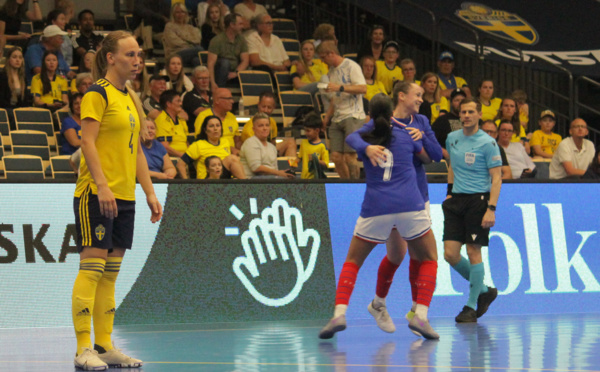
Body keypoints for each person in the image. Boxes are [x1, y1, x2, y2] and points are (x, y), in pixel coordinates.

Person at [71, 30, 162, 370]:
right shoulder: (98, 93)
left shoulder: (131, 97)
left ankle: (105, 345)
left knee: (110, 274)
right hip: (96, 194)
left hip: (125, 196)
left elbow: (135, 148)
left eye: (139, 54)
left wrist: (150, 192)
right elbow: (87, 142)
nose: (137, 60)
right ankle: (84, 349)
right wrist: (102, 185)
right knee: (92, 269)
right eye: (129, 54)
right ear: (111, 58)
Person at [318, 93, 439, 340]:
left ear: (369, 116)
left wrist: (366, 147)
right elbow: (428, 157)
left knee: (352, 260)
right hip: (410, 205)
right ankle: (421, 316)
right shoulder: (406, 132)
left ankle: (339, 314)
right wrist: (420, 138)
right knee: (428, 258)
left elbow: (351, 138)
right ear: (392, 111)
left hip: (376, 207)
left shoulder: (365, 137)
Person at [367, 82, 443, 337]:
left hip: (418, 196)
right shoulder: (383, 122)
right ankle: (378, 303)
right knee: (397, 255)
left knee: (419, 256)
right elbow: (361, 143)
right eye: (418, 95)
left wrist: (421, 138)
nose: (422, 99)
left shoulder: (421, 121)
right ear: (402, 95)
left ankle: (415, 312)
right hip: (391, 198)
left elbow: (435, 156)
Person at [443, 98, 502, 323]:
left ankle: (470, 306)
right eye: (463, 112)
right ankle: (485, 290)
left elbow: (497, 178)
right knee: (450, 253)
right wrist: (449, 191)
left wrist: (491, 208)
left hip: (478, 201)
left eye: (471, 112)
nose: (466, 115)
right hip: (456, 200)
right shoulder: (452, 138)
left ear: (478, 115)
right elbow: (452, 167)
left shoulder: (488, 143)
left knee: (473, 252)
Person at [318, 40, 367, 179]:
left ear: (331, 53)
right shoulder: (332, 71)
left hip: (353, 115)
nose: (322, 61)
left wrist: (340, 87)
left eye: (323, 57)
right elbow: (335, 97)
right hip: (338, 116)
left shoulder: (351, 66)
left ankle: (355, 185)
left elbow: (363, 88)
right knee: (336, 156)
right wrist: (327, 116)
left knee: (350, 156)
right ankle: (346, 184)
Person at [177, 115, 246, 179]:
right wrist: (186, 182)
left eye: (218, 125)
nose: (215, 128)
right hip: (207, 180)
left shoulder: (225, 142)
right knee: (232, 158)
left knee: (237, 159)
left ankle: (245, 184)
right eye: (211, 126)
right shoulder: (198, 145)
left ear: (221, 129)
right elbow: (180, 164)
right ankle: (246, 185)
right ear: (205, 130)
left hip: (223, 177)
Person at [240, 91, 296, 157]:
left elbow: (273, 142)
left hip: (268, 150)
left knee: (290, 142)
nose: (266, 110)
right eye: (263, 107)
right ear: (258, 105)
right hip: (254, 153)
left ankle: (292, 166)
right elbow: (253, 148)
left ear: (274, 108)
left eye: (269, 107)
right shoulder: (250, 126)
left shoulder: (272, 122)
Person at [240, 112, 295, 178]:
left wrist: (283, 174)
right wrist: (278, 173)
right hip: (253, 181)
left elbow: (275, 169)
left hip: (270, 179)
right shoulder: (250, 143)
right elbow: (256, 168)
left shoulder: (272, 147)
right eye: (261, 125)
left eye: (267, 125)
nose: (265, 128)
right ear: (253, 129)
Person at [207, 12, 249, 90]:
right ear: (232, 25)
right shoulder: (217, 40)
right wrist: (212, 82)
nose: (242, 27)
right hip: (220, 71)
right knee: (225, 63)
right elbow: (211, 63)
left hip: (235, 71)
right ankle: (220, 90)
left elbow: (245, 60)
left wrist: (236, 72)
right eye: (240, 24)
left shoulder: (241, 39)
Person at [194, 88, 240, 154]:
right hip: (213, 154)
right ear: (217, 100)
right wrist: (230, 149)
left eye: (232, 98)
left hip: (232, 154)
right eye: (228, 99)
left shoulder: (232, 117)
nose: (232, 101)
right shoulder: (203, 116)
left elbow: (237, 140)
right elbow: (201, 140)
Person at [163, 3, 203, 67]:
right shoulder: (169, 26)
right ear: (173, 14)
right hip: (175, 53)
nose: (180, 15)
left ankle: (201, 76)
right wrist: (190, 43)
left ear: (186, 14)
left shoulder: (191, 28)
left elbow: (197, 40)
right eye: (177, 12)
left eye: (182, 12)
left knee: (197, 60)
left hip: (191, 52)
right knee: (199, 50)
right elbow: (174, 43)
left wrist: (181, 36)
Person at [432, 88, 465, 159]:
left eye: (462, 100)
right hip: (447, 160)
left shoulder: (471, 120)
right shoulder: (442, 120)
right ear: (451, 103)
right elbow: (430, 140)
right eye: (456, 100)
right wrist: (443, 151)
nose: (460, 103)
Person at [155, 89, 190, 158]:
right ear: (169, 104)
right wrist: (184, 157)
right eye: (178, 101)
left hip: (184, 156)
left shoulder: (181, 120)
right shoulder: (162, 120)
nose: (181, 103)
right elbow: (164, 147)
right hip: (171, 158)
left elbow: (186, 142)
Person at [297, 112, 329, 179]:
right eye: (305, 130)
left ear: (317, 130)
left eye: (308, 131)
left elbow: (326, 164)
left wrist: (316, 159)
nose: (306, 133)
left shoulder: (322, 146)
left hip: (315, 179)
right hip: (303, 178)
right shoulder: (303, 143)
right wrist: (294, 163)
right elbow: (299, 158)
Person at [0, 47, 29, 120]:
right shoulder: (2, 76)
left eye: (20, 57)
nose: (17, 60)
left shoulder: (23, 77)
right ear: (8, 59)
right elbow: (1, 100)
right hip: (5, 110)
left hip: (18, 110)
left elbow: (24, 100)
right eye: (14, 57)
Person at [182, 66, 212, 133]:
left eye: (206, 78)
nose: (204, 81)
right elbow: (202, 113)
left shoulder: (212, 95)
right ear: (193, 80)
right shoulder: (189, 96)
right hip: (196, 133)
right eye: (200, 78)